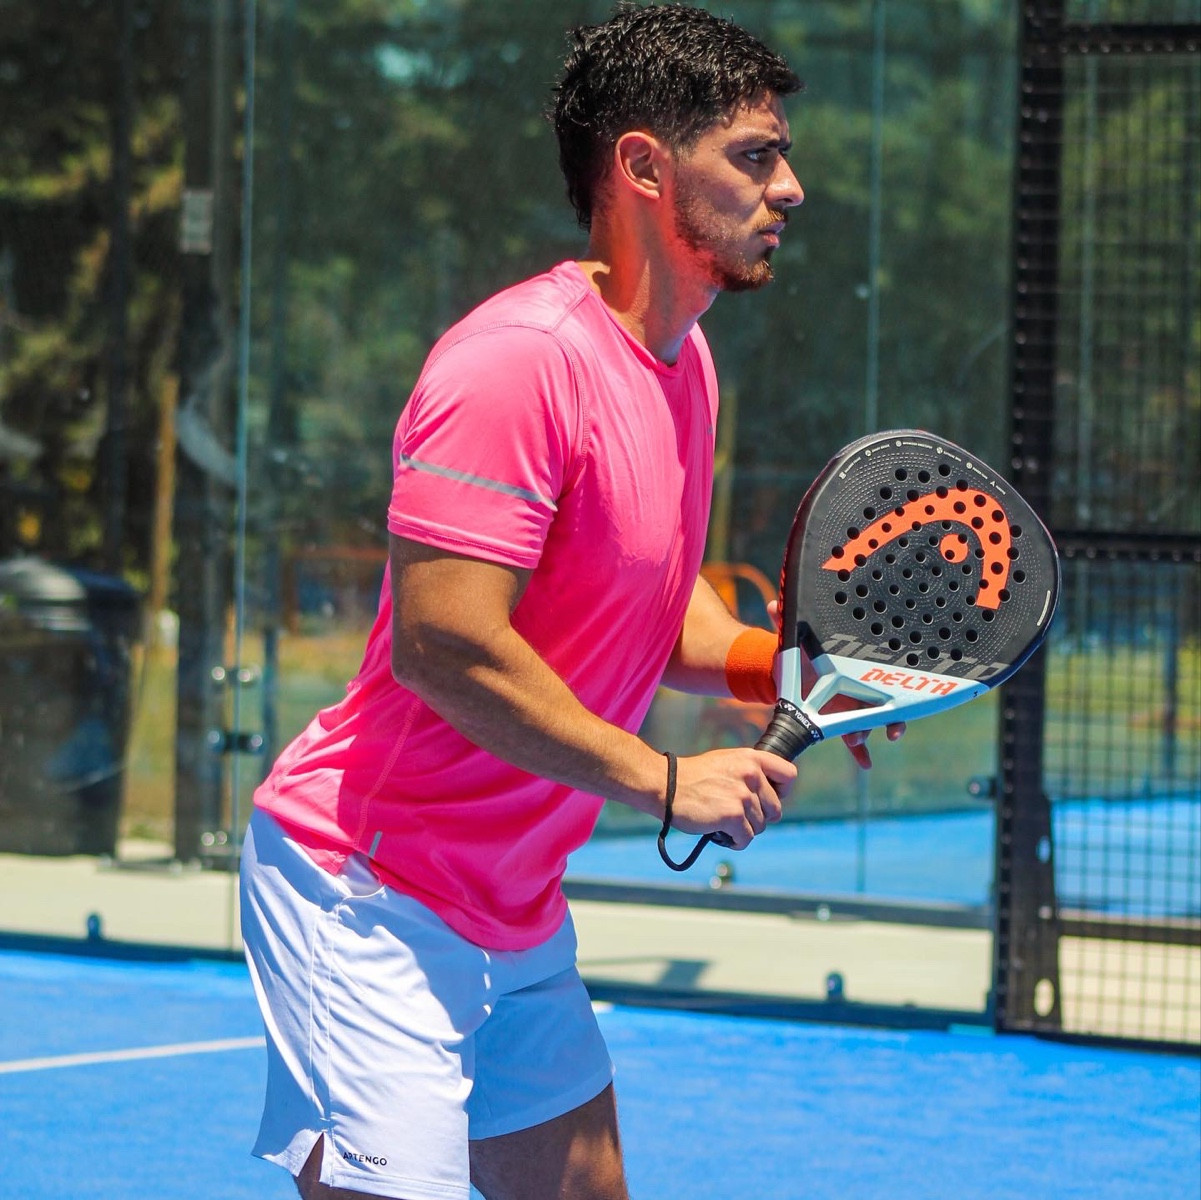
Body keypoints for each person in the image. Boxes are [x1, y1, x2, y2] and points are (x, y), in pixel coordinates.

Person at [240, 6, 900, 1199]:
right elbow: (445, 644)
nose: (789, 188)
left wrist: (784, 672)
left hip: (513, 901)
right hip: (369, 887)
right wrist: (664, 780)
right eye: (754, 156)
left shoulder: (684, 362)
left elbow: (656, 603)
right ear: (644, 166)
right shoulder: (515, 362)